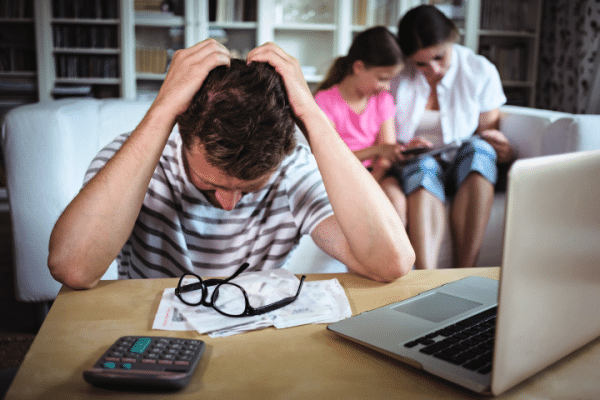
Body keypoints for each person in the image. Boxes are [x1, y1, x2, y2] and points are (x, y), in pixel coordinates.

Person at [47, 39, 415, 289]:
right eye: (209, 184)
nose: (229, 204)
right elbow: (73, 268)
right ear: (181, 135)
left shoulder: (294, 170)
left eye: (250, 188)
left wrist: (312, 115)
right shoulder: (136, 159)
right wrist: (163, 109)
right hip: (150, 336)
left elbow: (392, 263)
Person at [389, 5, 514, 270]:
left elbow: (487, 134)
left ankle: (465, 272)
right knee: (423, 168)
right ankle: (426, 278)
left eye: (439, 57)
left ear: (452, 39)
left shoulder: (479, 70)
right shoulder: (397, 75)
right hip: (417, 162)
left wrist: (503, 149)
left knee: (481, 151)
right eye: (421, 63)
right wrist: (399, 148)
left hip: (462, 163)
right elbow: (382, 132)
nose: (432, 69)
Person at [314, 26, 407, 222]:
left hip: (376, 175)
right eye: (383, 78)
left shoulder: (383, 100)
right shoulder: (325, 101)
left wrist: (373, 181)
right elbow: (332, 159)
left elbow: (387, 155)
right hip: (340, 178)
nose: (387, 86)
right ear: (358, 67)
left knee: (396, 200)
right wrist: (377, 150)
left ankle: (403, 254)